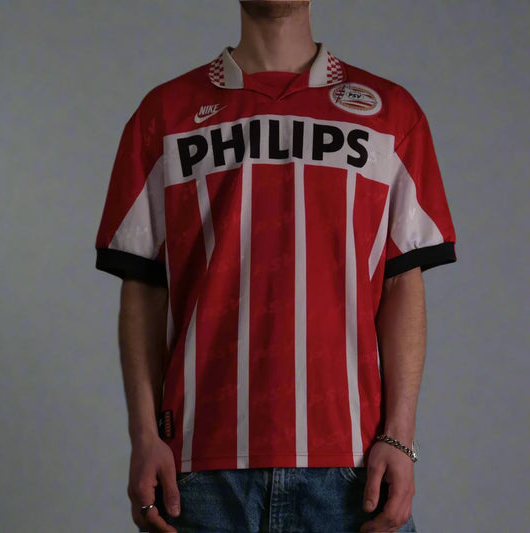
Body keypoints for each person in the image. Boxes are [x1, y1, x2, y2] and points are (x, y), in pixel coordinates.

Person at [95, 1, 456, 531]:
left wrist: (400, 436)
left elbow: (402, 280)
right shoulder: (163, 115)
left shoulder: (392, 116)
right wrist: (145, 437)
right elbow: (144, 288)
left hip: (352, 470)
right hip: (199, 469)